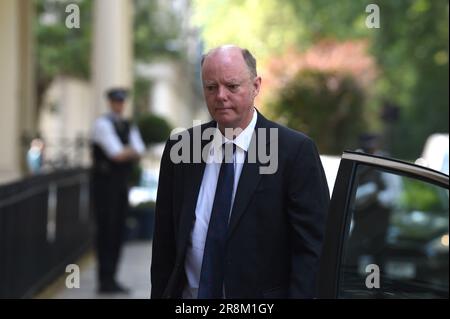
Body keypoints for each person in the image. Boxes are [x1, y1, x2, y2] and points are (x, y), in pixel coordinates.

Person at [150, 45, 330, 299]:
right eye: (211, 87)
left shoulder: (294, 151)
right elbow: (164, 244)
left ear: (256, 86)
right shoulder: (181, 149)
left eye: (232, 86)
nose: (220, 96)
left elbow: (313, 249)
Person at [91, 87, 145, 293]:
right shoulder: (102, 125)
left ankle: (112, 277)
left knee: (117, 231)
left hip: (121, 186)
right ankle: (105, 278)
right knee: (106, 231)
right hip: (105, 187)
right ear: (110, 102)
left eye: (122, 101)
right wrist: (129, 152)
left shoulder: (127, 125)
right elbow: (116, 154)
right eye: (116, 101)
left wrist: (127, 152)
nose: (119, 105)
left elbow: (137, 151)